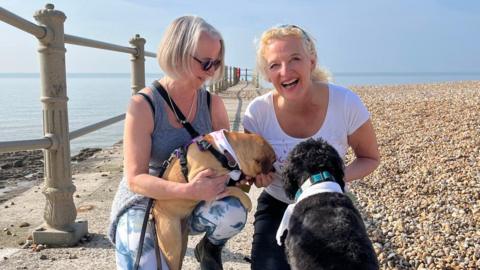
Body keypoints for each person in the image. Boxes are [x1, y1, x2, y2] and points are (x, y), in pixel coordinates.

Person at [108, 16, 247, 270]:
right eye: (205, 62)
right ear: (178, 53)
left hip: (195, 197)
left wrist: (245, 174)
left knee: (234, 212)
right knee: (145, 265)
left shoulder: (211, 104)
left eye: (216, 63)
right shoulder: (144, 105)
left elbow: (228, 159)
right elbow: (135, 179)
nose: (211, 72)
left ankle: (210, 247)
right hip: (145, 198)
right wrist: (189, 191)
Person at [242, 24, 381, 269]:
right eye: (275, 64)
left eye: (294, 59)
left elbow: (370, 157)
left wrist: (325, 180)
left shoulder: (345, 102)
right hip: (277, 202)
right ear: (266, 73)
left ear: (312, 61)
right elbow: (248, 173)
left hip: (330, 203)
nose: (285, 71)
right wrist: (256, 178)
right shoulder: (257, 113)